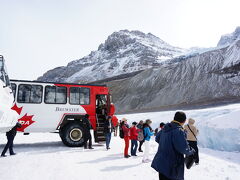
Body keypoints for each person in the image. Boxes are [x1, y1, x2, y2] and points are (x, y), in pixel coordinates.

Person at [151, 112, 195, 180]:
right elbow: (183, 148)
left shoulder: (165, 128)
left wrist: (166, 143)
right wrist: (191, 151)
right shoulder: (178, 130)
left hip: (161, 162)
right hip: (172, 165)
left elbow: (157, 138)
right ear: (183, 121)